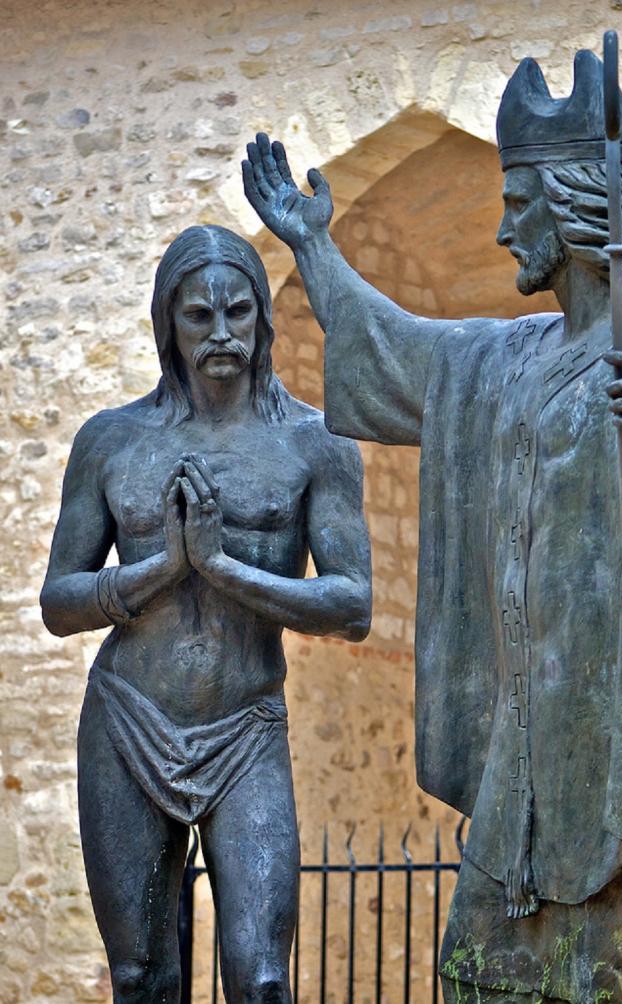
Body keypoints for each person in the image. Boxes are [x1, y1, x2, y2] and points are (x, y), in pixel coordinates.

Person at [243, 49, 622, 1003]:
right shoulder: (503, 359)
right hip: (520, 750)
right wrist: (315, 248)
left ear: (578, 206)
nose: (505, 224)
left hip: (616, 756)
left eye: (522, 201)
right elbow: (400, 353)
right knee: (480, 975)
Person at [40, 225, 371, 1004]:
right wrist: (165, 567)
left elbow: (351, 604)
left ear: (262, 319)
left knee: (259, 978)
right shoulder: (112, 441)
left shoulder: (313, 441)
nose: (221, 332)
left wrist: (223, 567)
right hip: (127, 721)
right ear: (169, 323)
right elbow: (59, 602)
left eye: (238, 313)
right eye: (199, 315)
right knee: (140, 975)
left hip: (244, 726)